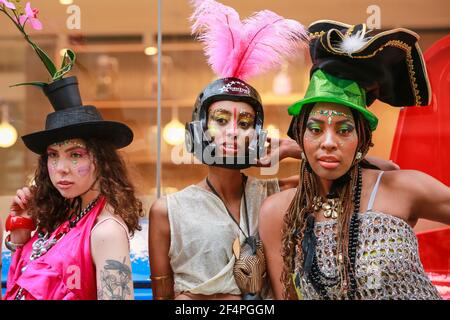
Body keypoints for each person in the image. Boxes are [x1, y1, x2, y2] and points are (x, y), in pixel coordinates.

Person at [259, 20, 450, 300]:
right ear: (300, 134)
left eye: (344, 130)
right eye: (315, 129)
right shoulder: (278, 212)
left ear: (361, 137)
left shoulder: (401, 187)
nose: (328, 141)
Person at [148, 0, 309, 300]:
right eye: (220, 120)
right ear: (200, 126)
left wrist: (291, 147)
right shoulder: (168, 211)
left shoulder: (276, 194)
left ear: (257, 133)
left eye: (245, 122)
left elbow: (366, 173)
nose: (233, 131)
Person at [3, 76, 144, 300]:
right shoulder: (58, 218)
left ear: (101, 160)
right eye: (53, 155)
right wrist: (21, 233)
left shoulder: (106, 232)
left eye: (76, 155)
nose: (61, 168)